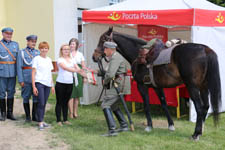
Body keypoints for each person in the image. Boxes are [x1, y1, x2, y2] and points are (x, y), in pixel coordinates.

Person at [100, 41, 129, 137]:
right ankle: (124, 125)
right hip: (121, 83)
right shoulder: (116, 56)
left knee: (105, 104)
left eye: (105, 49)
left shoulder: (115, 58)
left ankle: (112, 130)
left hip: (119, 84)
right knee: (114, 105)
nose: (104, 51)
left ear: (110, 49)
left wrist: (105, 81)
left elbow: (111, 74)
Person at [55, 44, 86, 126]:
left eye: (68, 49)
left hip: (69, 83)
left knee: (65, 102)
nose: (66, 51)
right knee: (59, 102)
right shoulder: (60, 59)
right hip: (60, 83)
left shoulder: (72, 59)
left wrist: (86, 74)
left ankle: (65, 120)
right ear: (61, 50)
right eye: (64, 49)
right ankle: (58, 120)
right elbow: (66, 68)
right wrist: (77, 70)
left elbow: (78, 68)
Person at [32, 41, 55, 130]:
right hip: (39, 83)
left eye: (46, 48)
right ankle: (40, 122)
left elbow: (50, 73)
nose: (44, 50)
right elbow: (33, 73)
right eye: (42, 48)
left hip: (47, 84)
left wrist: (52, 85)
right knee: (41, 102)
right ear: (39, 49)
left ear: (48, 49)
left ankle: (42, 119)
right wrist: (34, 86)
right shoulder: (36, 59)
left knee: (44, 103)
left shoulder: (49, 60)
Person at [17, 35, 40, 122]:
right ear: (27, 42)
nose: (33, 43)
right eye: (31, 41)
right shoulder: (21, 52)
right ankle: (27, 116)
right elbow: (19, 67)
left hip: (36, 79)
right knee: (26, 97)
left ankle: (34, 116)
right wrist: (20, 79)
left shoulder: (38, 53)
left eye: (34, 41)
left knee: (36, 97)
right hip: (26, 78)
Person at [0, 27, 19, 121]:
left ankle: (10, 113)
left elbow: (18, 61)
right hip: (2, 72)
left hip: (12, 72)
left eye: (10, 34)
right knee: (1, 93)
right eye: (7, 34)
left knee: (11, 92)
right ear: (3, 34)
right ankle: (2, 113)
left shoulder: (15, 45)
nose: (9, 35)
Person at [68, 38, 87, 119]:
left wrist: (84, 77)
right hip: (69, 75)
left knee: (77, 95)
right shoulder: (67, 53)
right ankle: (70, 113)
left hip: (78, 75)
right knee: (70, 95)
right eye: (71, 44)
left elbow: (83, 66)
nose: (72, 45)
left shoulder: (80, 54)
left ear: (76, 45)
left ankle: (75, 112)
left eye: (73, 44)